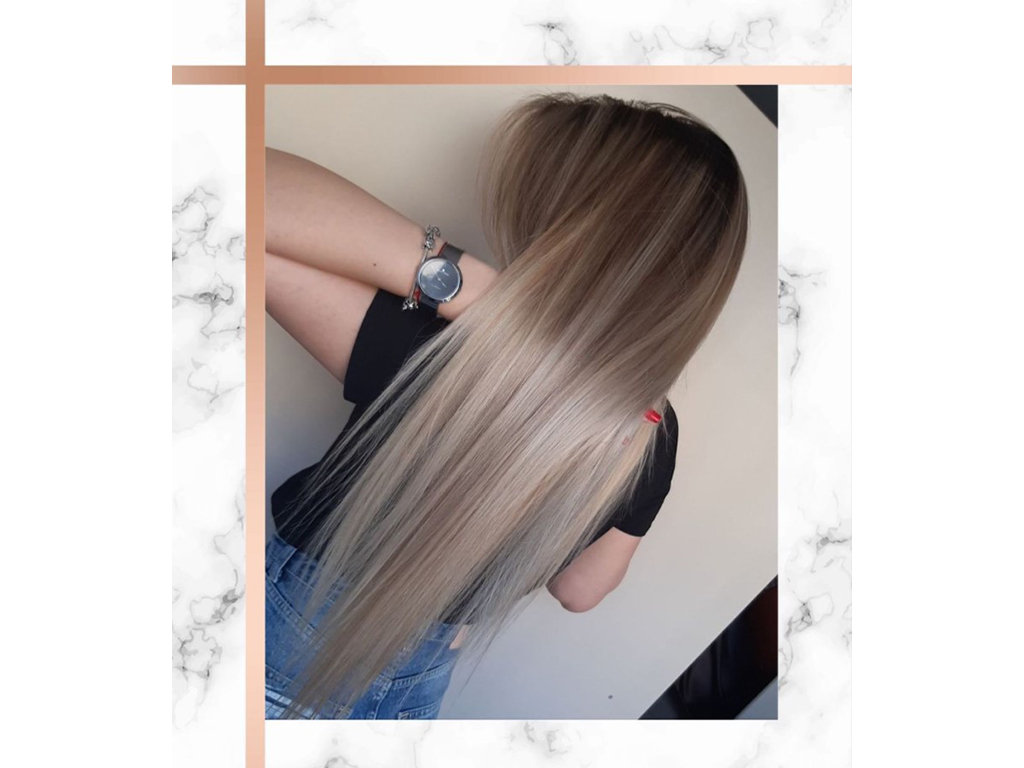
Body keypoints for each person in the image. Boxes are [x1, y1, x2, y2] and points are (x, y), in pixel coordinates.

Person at [264, 93, 749, 719]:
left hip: (287, 637)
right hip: (417, 687)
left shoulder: (454, 346)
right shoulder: (654, 429)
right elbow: (580, 590)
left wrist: (486, 301)